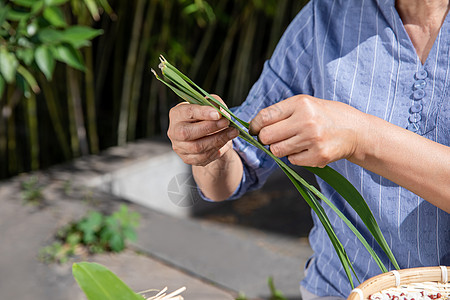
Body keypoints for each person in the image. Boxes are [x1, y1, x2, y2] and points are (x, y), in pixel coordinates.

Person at [167, 0, 450, 298]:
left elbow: (357, 134)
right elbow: (232, 174)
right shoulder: (327, 15)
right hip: (341, 289)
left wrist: (360, 136)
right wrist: (209, 148)